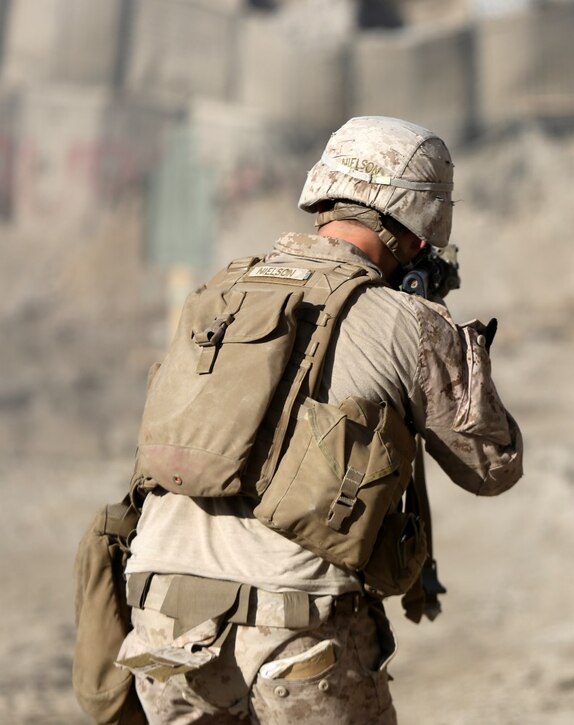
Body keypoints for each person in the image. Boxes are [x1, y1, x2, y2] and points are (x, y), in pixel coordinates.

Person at [114, 116, 524, 724]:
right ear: (418, 231)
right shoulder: (406, 321)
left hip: (162, 619)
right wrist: (446, 339)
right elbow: (492, 467)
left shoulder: (222, 291)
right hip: (297, 629)